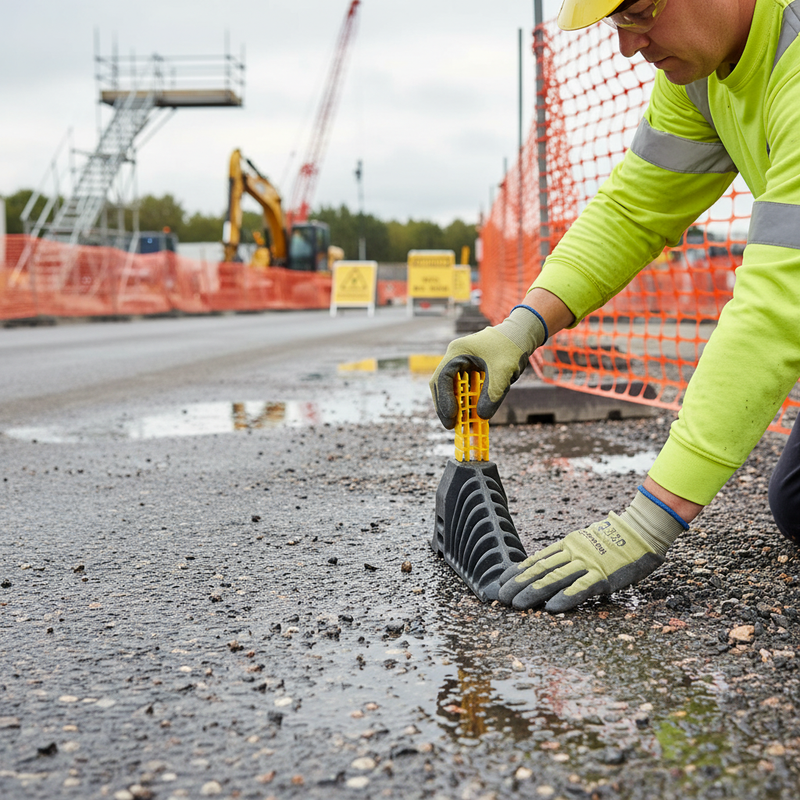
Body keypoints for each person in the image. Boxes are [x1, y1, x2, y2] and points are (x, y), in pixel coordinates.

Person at [430, 0, 800, 613]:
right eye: (616, 24)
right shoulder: (703, 77)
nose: (630, 47)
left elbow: (777, 305)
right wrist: (520, 329)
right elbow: (632, 211)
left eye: (641, 12)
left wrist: (651, 518)